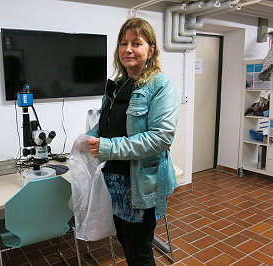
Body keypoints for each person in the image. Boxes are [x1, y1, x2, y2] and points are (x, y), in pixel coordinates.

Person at [86, 18, 178, 265]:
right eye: (123, 43)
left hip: (141, 185)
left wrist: (108, 147)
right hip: (113, 182)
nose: (128, 49)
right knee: (126, 245)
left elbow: (161, 137)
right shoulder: (116, 86)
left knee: (139, 253)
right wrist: (90, 136)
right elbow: (105, 124)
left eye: (136, 43)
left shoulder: (160, 85)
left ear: (151, 50)